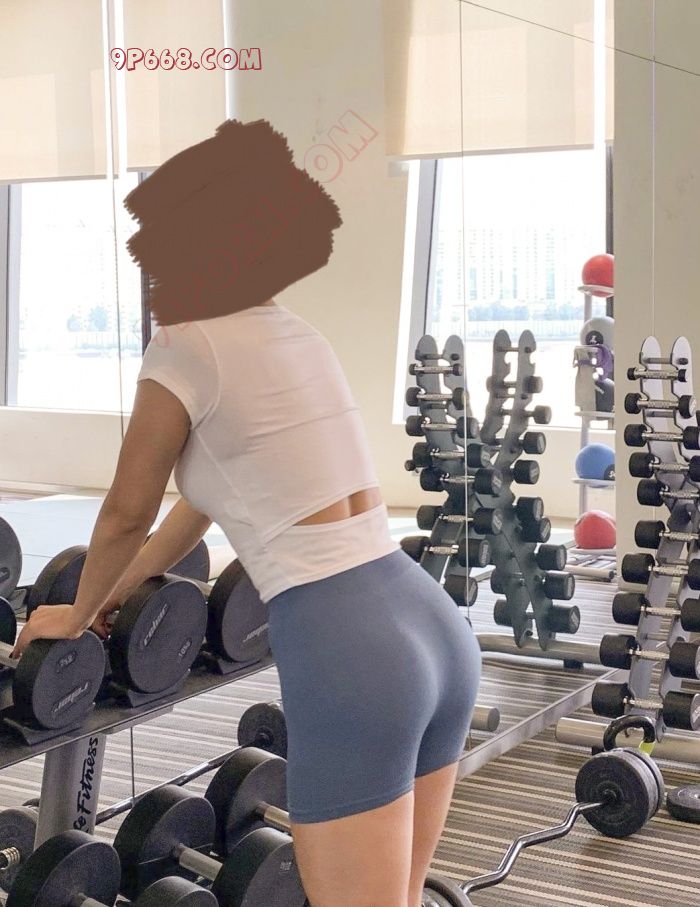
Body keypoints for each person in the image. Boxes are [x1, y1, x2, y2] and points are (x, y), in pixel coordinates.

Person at [15, 119, 482, 907]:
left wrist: (76, 612)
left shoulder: (186, 342)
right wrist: (115, 592)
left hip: (349, 651)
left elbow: (126, 509)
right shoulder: (296, 336)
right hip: (428, 623)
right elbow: (196, 507)